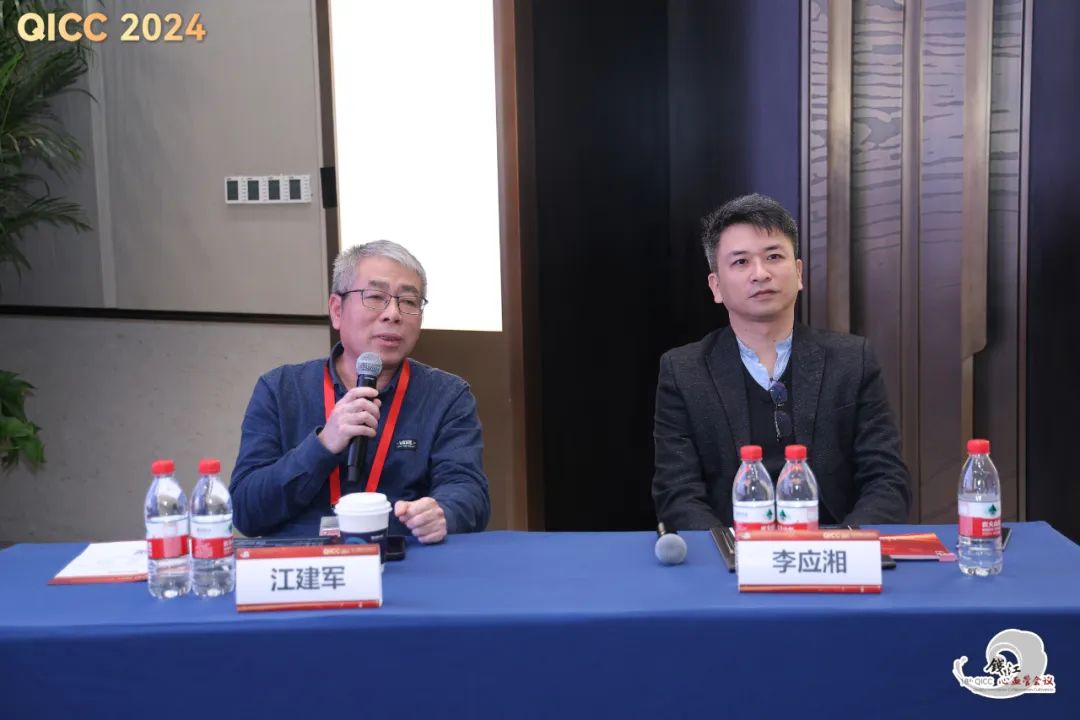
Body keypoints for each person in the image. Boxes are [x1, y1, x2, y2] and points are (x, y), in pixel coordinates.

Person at [652, 193, 911, 529]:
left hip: (833, 548)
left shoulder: (852, 360)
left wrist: (845, 545)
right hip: (730, 552)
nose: (760, 274)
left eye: (773, 256)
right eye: (741, 262)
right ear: (716, 286)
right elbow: (677, 492)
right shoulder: (684, 371)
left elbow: (886, 479)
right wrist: (731, 552)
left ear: (799, 272)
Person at [231, 240, 490, 542]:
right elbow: (246, 511)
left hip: (403, 558)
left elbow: (469, 492)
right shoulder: (280, 389)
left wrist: (444, 512)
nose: (393, 314)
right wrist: (323, 445)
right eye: (376, 297)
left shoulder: (447, 396)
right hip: (302, 560)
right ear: (337, 310)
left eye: (409, 301)